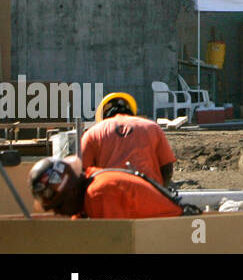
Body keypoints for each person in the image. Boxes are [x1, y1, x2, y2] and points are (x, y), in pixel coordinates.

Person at [29, 157, 183, 220]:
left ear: (73, 191)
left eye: (58, 205)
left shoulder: (98, 194)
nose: (57, 213)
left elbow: (113, 243)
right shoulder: (92, 180)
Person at [80, 92, 177, 186]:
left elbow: (83, 172)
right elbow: (167, 167)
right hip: (147, 194)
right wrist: (160, 192)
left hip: (109, 195)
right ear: (131, 109)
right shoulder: (152, 128)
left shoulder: (92, 133)